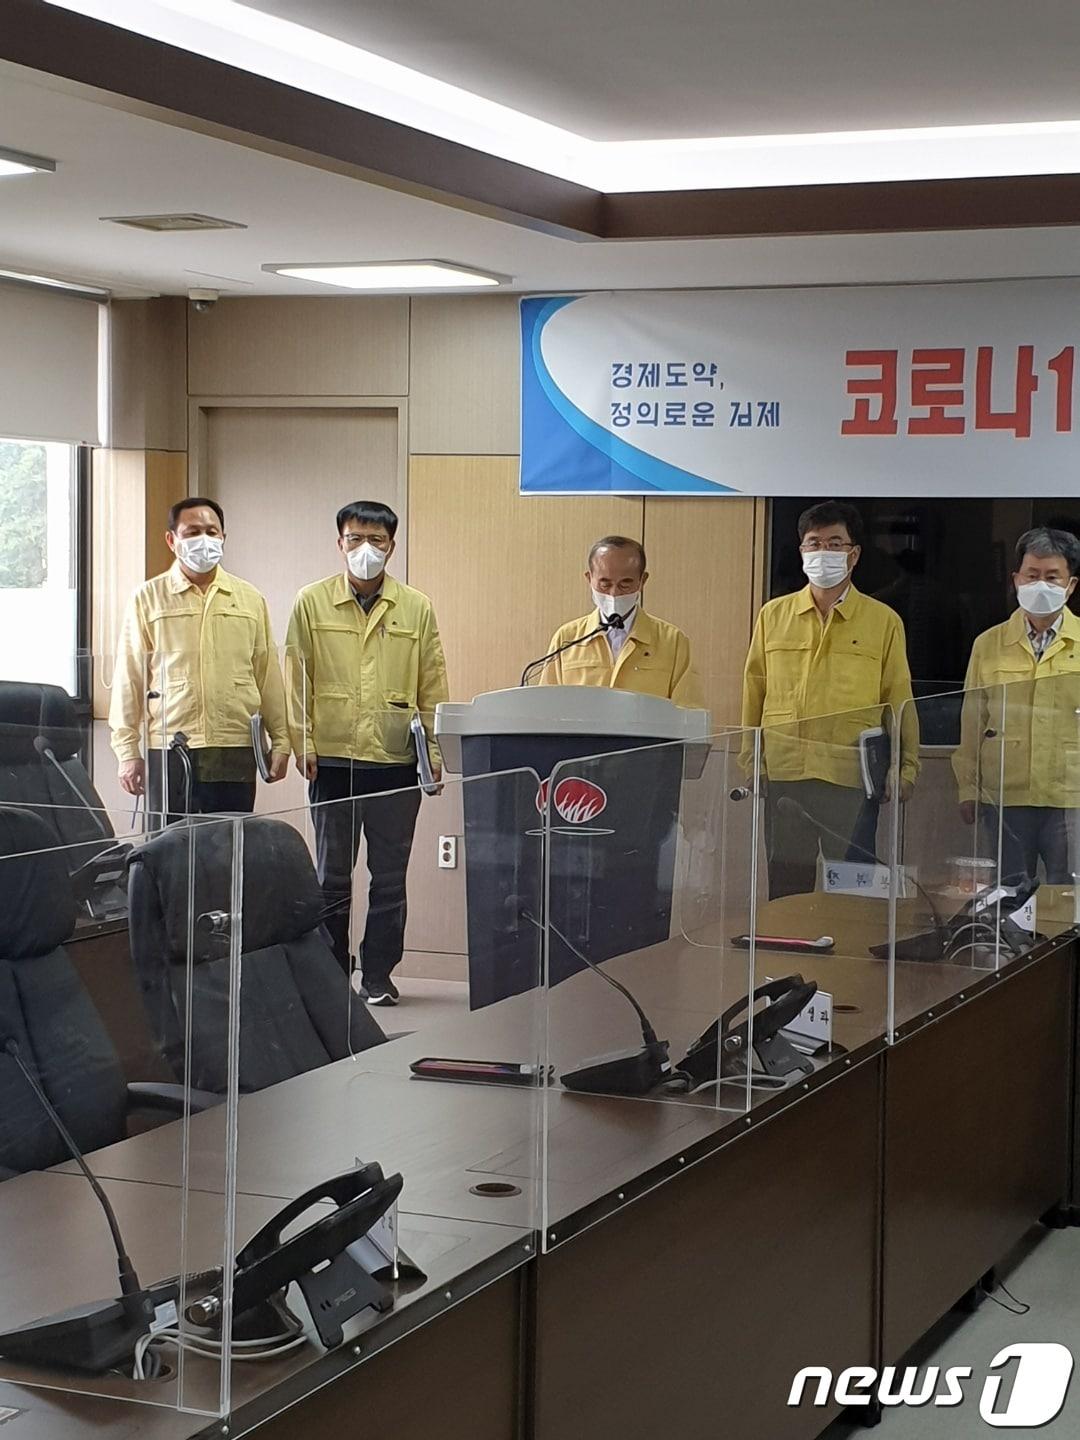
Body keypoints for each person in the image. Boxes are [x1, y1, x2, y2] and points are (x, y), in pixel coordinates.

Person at [285, 501, 449, 1006]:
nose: (365, 549)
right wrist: (302, 742)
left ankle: (378, 974)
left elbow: (432, 681)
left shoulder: (416, 606)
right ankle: (332, 974)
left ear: (391, 547)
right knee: (332, 877)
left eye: (376, 541)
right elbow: (295, 676)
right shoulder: (311, 602)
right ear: (340, 543)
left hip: (395, 759)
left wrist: (434, 751)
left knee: (390, 878)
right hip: (332, 760)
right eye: (355, 539)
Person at [741, 500, 918, 898]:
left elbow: (899, 700)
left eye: (835, 544)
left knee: (854, 891)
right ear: (802, 551)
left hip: (850, 778)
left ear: (854, 555)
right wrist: (751, 762)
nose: (823, 552)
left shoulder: (883, 621)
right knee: (787, 893)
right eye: (814, 543)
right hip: (787, 776)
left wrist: (905, 767)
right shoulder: (773, 616)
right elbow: (754, 692)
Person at [110, 497, 289, 822]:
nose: (203, 539)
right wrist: (127, 751)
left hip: (234, 743)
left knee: (228, 843)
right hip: (171, 745)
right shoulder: (148, 598)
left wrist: (281, 740)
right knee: (169, 845)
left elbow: (268, 675)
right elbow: (129, 678)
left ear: (223, 537)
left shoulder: (249, 598)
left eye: (211, 531)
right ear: (171, 540)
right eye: (192, 532)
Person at [953, 526, 1080, 885]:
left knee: (1068, 897)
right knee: (1009, 895)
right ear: (1016, 580)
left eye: (1052, 577)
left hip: (1070, 798)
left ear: (1071, 585)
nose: (1041, 585)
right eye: (1032, 575)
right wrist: (968, 788)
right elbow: (972, 722)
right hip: (1005, 796)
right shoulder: (989, 644)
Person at [537, 535, 702, 706]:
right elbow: (546, 707)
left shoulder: (673, 642)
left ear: (642, 580)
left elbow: (688, 712)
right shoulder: (567, 638)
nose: (614, 593)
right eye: (605, 584)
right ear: (589, 578)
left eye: (625, 584)